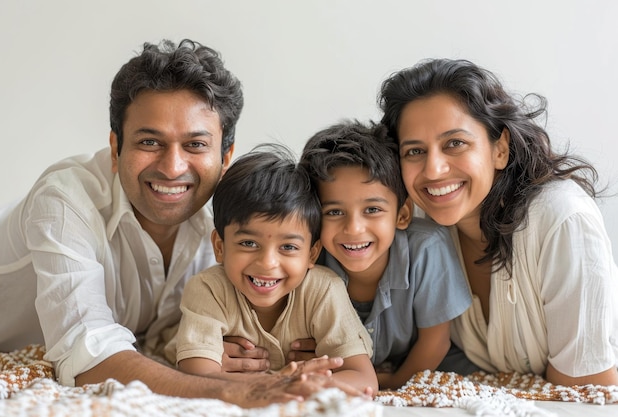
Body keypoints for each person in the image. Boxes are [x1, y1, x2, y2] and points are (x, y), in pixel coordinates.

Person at [0, 38, 365, 407]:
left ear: (226, 155)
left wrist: (213, 351)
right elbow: (85, 350)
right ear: (115, 147)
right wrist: (232, 390)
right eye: (150, 142)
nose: (172, 168)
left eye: (196, 145)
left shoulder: (233, 219)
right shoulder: (64, 199)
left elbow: (166, 334)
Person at [378, 57, 618, 386]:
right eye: (415, 151)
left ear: (500, 149)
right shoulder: (414, 221)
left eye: (455, 143)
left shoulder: (561, 220)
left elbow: (585, 393)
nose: (433, 170)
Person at [164, 144, 378, 396]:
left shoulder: (323, 290)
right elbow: (198, 380)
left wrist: (303, 386)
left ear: (312, 253)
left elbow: (364, 379)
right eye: (248, 243)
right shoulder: (209, 289)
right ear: (220, 247)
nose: (267, 263)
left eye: (288, 246)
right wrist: (276, 386)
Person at [296, 120, 473, 389]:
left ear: (402, 215)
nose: (354, 228)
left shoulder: (426, 248)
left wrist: (393, 383)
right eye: (333, 212)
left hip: (415, 367)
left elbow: (435, 342)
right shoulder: (307, 259)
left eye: (372, 210)